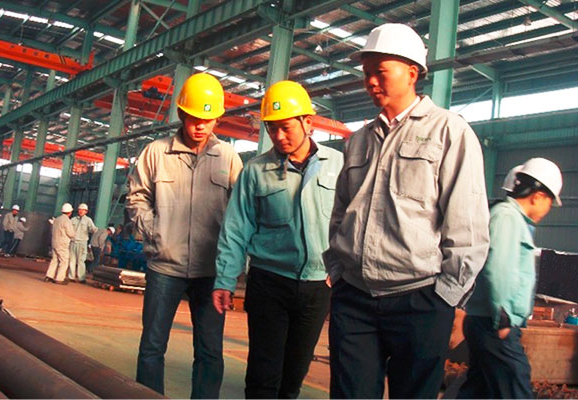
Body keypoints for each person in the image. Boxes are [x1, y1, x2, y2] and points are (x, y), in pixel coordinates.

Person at [322, 23, 491, 399]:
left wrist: (447, 296)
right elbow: (340, 213)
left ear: (412, 72)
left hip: (420, 301)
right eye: (366, 73)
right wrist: (338, 271)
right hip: (355, 299)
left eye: (381, 72)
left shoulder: (449, 132)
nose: (370, 81)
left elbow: (467, 224)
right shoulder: (359, 141)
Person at [212, 80, 343, 399]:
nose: (279, 136)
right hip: (269, 283)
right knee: (263, 373)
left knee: (294, 373)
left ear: (308, 122)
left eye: (286, 127)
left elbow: (354, 221)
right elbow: (236, 228)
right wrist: (225, 279)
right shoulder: (256, 171)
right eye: (272, 129)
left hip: (318, 285)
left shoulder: (338, 166)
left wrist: (343, 271)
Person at [126, 72, 243, 398]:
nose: (200, 126)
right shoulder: (155, 153)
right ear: (181, 113)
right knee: (152, 347)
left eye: (208, 119)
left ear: (217, 118)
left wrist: (231, 263)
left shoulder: (229, 157)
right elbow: (136, 199)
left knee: (210, 351)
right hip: (165, 266)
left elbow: (241, 212)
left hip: (211, 271)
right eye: (194, 118)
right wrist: (156, 234)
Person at [459, 158, 563, 399]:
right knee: (516, 385)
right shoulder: (507, 217)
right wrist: (504, 319)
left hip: (488, 321)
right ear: (538, 196)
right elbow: (499, 269)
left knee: (478, 390)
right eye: (549, 202)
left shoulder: (511, 218)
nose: (548, 209)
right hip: (494, 323)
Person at [44, 203, 76, 285]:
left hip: (54, 242)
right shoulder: (67, 221)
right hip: (62, 244)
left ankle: (49, 276)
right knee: (64, 261)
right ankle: (59, 278)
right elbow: (70, 233)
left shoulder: (57, 219)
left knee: (54, 260)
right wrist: (74, 234)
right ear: (70, 212)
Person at [68, 203, 97, 283]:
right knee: (72, 260)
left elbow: (93, 229)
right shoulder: (73, 219)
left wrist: (93, 230)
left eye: (83, 210)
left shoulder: (88, 220)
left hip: (82, 242)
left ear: (86, 211)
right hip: (73, 242)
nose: (81, 211)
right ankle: (71, 277)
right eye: (80, 209)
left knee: (81, 261)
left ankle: (81, 278)